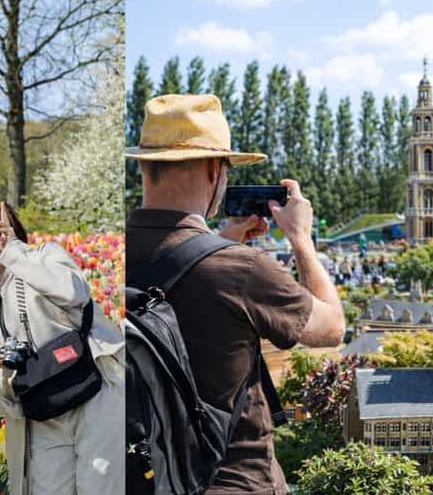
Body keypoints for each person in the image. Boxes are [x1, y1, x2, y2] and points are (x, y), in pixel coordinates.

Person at [125, 94, 345, 494]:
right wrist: (301, 239)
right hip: (233, 481)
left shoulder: (110, 254)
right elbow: (331, 327)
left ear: (143, 164)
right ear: (215, 169)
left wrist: (217, 242)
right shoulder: (242, 270)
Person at [0, 197, 124, 495]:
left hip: (94, 391)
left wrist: (12, 250)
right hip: (45, 405)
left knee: (98, 486)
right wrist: (0, 361)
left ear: (5, 226)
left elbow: (73, 293)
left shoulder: (45, 255)